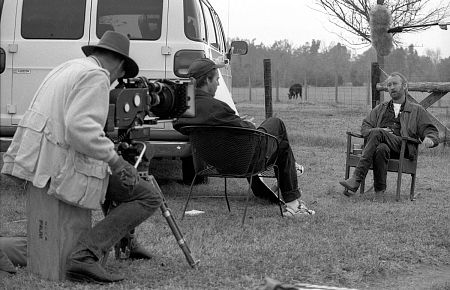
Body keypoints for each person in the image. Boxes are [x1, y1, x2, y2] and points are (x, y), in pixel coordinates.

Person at [1, 31, 162, 283]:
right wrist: (117, 161)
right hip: (62, 166)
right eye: (120, 75)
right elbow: (80, 130)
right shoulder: (96, 76)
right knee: (148, 196)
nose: (115, 81)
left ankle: (110, 244)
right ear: (120, 65)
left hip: (42, 161)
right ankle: (85, 255)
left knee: (115, 184)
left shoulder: (69, 67)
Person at [173, 58, 314, 217]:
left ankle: (292, 194)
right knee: (276, 125)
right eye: (217, 80)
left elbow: (181, 126)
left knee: (282, 148)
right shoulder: (217, 107)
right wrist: (246, 123)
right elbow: (250, 130)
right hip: (243, 162)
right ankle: (293, 202)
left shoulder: (185, 111)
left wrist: (236, 123)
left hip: (213, 163)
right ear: (207, 79)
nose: (219, 84)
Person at [339, 72, 439, 197]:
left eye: (395, 84)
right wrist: (378, 133)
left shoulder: (416, 110)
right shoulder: (381, 108)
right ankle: (379, 193)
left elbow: (430, 130)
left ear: (404, 86)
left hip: (404, 148)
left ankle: (356, 179)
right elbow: (365, 127)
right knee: (381, 148)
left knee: (378, 132)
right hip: (382, 147)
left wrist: (430, 138)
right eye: (389, 85)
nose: (391, 87)